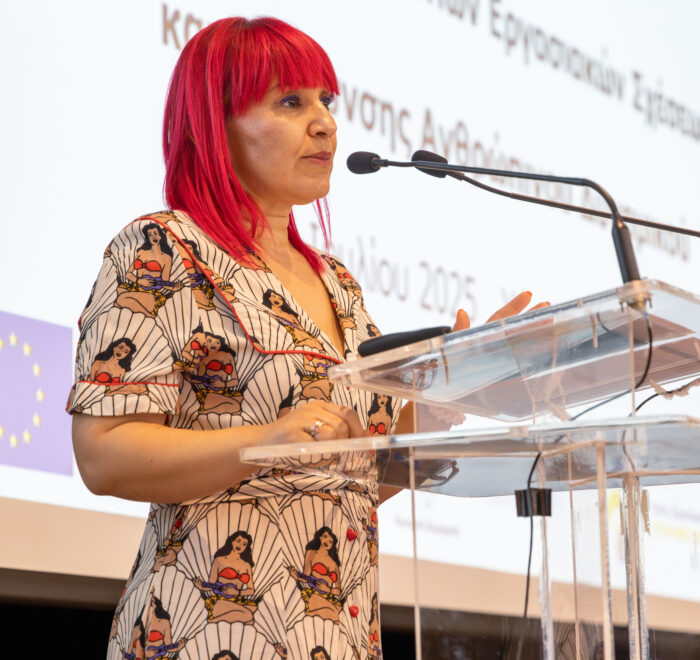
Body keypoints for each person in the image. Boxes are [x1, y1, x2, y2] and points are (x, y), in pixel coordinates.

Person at [69, 16, 541, 660]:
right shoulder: (163, 247)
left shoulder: (337, 281)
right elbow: (103, 454)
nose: (325, 123)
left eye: (326, 100)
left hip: (336, 636)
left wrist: (450, 396)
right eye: (290, 102)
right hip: (206, 631)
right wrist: (263, 442)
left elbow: (349, 481)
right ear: (215, 124)